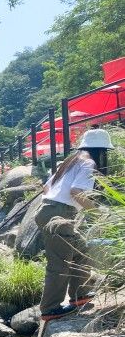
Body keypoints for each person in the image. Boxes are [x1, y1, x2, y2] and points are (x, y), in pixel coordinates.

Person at [35, 128, 113, 321]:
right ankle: (50, 309)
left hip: (49, 211)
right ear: (100, 150)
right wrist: (98, 213)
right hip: (60, 214)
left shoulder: (69, 162)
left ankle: (80, 295)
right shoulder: (88, 163)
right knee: (59, 263)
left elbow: (46, 187)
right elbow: (77, 191)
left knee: (82, 249)